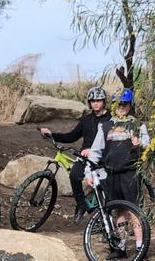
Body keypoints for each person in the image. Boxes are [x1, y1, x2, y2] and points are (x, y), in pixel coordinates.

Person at [84, 88, 150, 260]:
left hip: (130, 173)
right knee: (119, 211)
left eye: (125, 104)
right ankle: (120, 247)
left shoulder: (137, 125)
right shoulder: (105, 126)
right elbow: (95, 152)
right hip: (112, 174)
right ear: (114, 105)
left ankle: (140, 247)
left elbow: (148, 145)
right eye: (119, 104)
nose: (122, 107)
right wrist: (88, 172)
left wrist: (140, 144)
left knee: (133, 210)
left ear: (130, 105)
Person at [39, 86, 111, 222]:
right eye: (93, 101)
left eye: (99, 100)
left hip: (103, 157)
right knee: (74, 175)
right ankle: (81, 205)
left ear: (104, 101)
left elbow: (112, 140)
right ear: (89, 103)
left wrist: (93, 150)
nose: (95, 103)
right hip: (84, 157)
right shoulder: (86, 120)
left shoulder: (110, 119)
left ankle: (104, 217)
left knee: (102, 185)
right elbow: (72, 136)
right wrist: (51, 134)